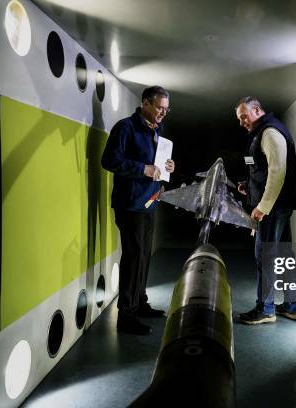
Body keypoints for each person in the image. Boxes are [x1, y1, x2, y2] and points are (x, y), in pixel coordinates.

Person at [102, 86, 175, 335]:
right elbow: (109, 160)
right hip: (130, 205)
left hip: (149, 201)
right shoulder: (125, 127)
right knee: (133, 258)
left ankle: (140, 304)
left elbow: (156, 164)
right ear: (145, 103)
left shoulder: (157, 129)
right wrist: (143, 169)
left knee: (144, 256)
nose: (163, 113)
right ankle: (126, 316)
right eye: (159, 108)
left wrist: (166, 168)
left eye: (166, 109)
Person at [234, 96, 296, 324]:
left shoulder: (270, 132)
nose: (242, 122)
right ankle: (292, 305)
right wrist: (249, 187)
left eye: (244, 116)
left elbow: (277, 172)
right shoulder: (261, 132)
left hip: (273, 207)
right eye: (239, 118)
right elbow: (263, 169)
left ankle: (266, 309)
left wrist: (262, 207)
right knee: (283, 254)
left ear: (256, 110)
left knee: (265, 255)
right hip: (277, 205)